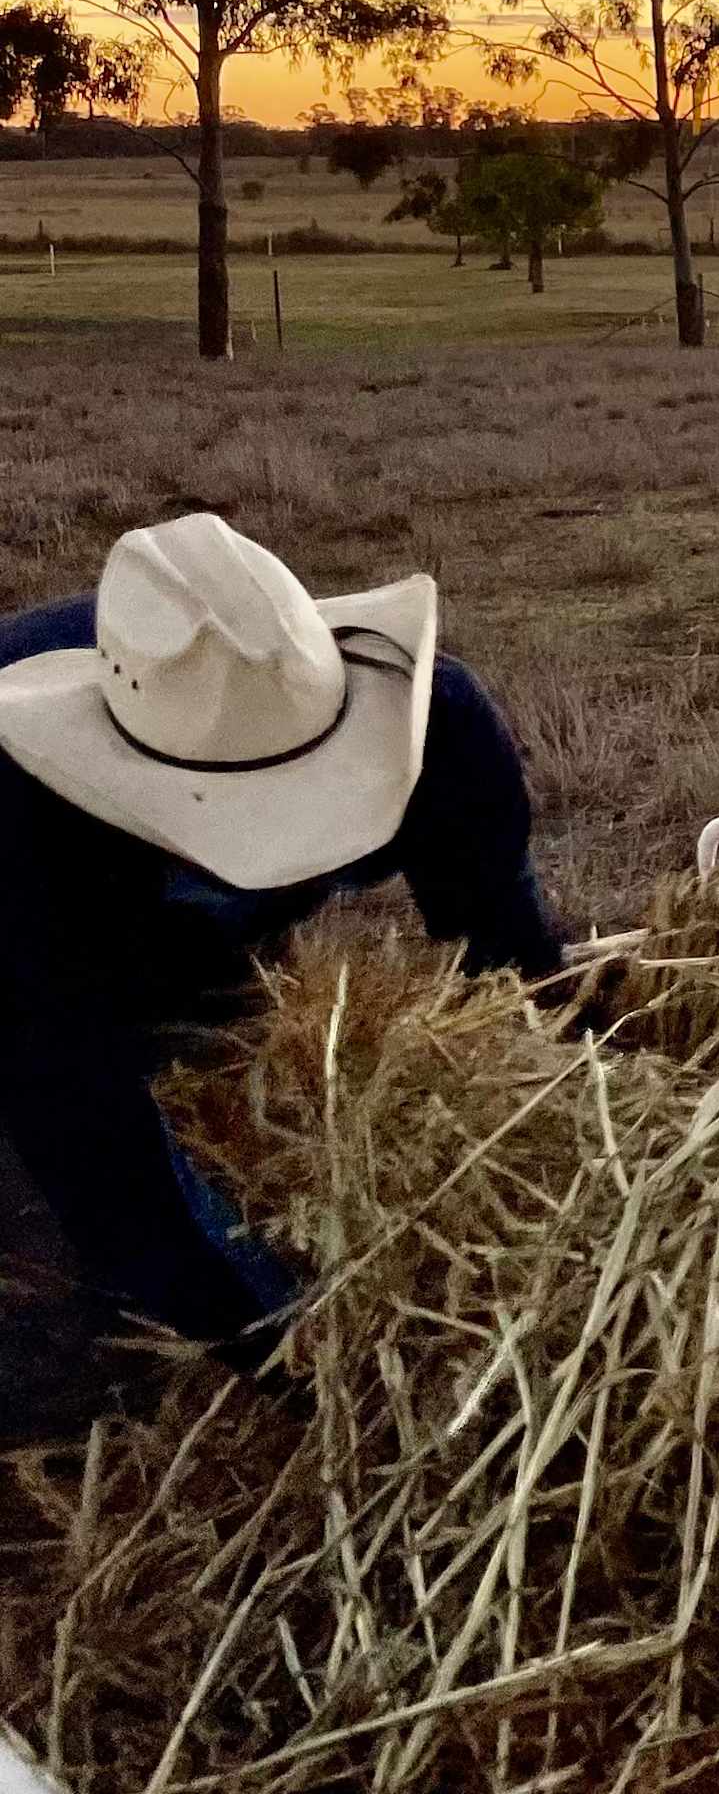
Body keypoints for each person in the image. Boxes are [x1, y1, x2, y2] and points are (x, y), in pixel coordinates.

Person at [0, 513, 563, 1424]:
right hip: (48, 927)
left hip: (131, 909)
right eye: (240, 825)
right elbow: (106, 1163)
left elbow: (509, 948)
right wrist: (312, 1366)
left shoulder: (440, 729)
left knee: (202, 1019)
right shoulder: (22, 844)